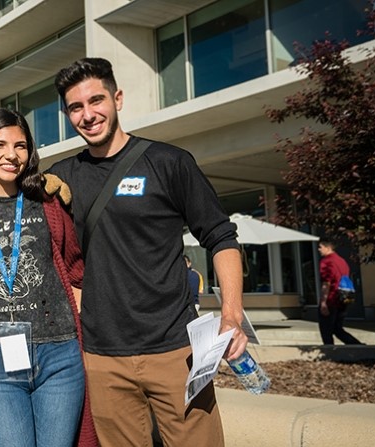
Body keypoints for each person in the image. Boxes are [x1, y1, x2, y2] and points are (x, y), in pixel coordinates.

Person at [46, 58, 247, 446]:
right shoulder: (62, 177)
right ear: (67, 114)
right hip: (102, 356)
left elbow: (221, 237)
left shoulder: (169, 163)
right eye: (76, 107)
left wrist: (231, 313)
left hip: (176, 350)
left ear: (117, 98)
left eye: (96, 100)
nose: (88, 115)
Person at [0, 108, 97, 447]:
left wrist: (80, 330)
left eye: (21, 146)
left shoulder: (48, 202)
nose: (11, 155)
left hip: (59, 352)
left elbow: (75, 270)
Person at [317, 239, 363, 345]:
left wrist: (323, 302)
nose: (319, 249)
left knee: (326, 330)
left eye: (320, 247)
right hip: (342, 298)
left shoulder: (326, 261)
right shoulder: (342, 261)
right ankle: (356, 346)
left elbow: (326, 283)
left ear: (328, 248)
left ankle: (329, 351)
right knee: (337, 328)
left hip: (331, 298)